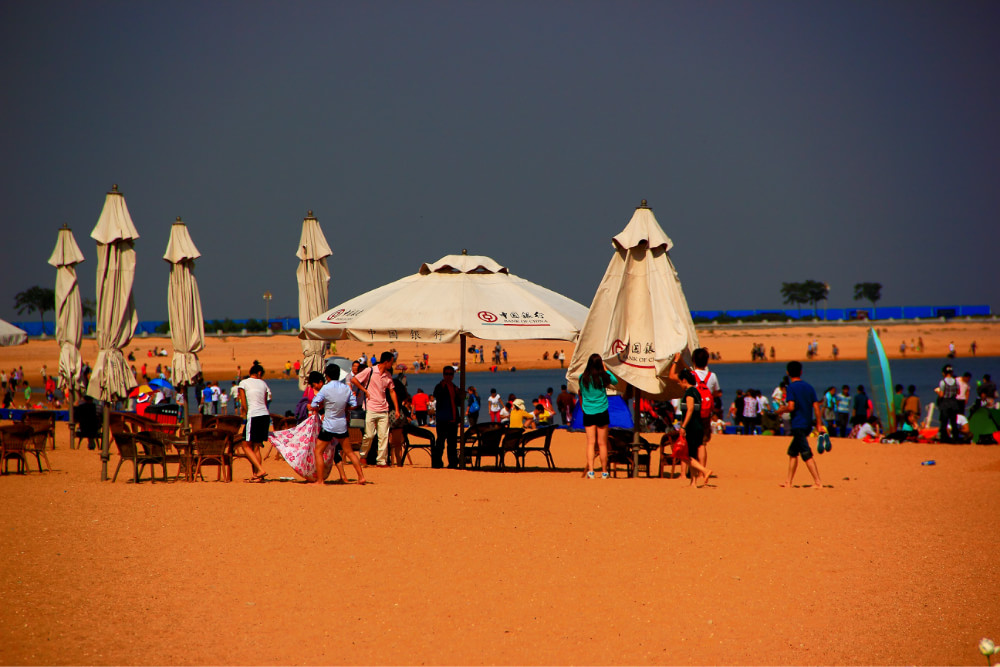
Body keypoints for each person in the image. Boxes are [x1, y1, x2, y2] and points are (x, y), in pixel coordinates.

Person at [310, 366, 365, 485]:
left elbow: (314, 403)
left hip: (329, 425)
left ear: (327, 376)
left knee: (318, 451)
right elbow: (354, 404)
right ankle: (361, 477)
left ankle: (320, 480)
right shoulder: (346, 388)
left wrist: (321, 406)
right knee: (349, 452)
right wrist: (345, 408)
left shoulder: (325, 388)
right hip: (341, 424)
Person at [776, 360, 825, 489]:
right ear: (801, 372)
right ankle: (788, 482)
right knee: (793, 452)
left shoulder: (791, 387)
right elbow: (816, 407)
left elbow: (791, 407)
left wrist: (782, 410)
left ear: (788, 373)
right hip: (808, 424)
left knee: (805, 452)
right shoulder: (809, 387)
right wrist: (819, 424)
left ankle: (818, 482)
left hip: (798, 424)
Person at [667, 360, 714, 487]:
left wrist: (683, 426)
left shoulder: (689, 392)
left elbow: (690, 409)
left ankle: (704, 471)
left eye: (680, 382)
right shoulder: (697, 391)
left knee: (685, 455)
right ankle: (693, 482)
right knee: (691, 454)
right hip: (698, 425)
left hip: (692, 426)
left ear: (684, 381)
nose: (680, 384)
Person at [351, 351, 400, 467]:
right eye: (391, 362)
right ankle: (363, 456)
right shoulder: (370, 371)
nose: (392, 365)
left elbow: (392, 391)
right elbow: (354, 380)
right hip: (371, 408)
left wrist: (397, 409)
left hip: (384, 409)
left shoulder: (388, 375)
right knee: (369, 435)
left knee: (384, 436)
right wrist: (365, 391)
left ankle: (381, 461)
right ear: (386, 361)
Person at [578, 353, 618, 479]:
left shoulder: (582, 377)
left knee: (590, 443)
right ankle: (605, 471)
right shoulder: (603, 377)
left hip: (588, 411)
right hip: (602, 410)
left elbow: (582, 392)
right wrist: (606, 369)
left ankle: (591, 471)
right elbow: (615, 381)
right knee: (602, 444)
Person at [237, 363, 272, 482]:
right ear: (260, 373)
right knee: (256, 447)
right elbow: (266, 401)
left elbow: (243, 402)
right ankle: (256, 475)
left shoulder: (244, 383)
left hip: (254, 415)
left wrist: (246, 413)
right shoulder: (263, 383)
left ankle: (260, 470)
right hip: (265, 415)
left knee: (245, 445)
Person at [431, 366, 463, 468]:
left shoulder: (454, 387)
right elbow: (437, 396)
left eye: (451, 374)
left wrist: (461, 394)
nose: (449, 376)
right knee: (440, 442)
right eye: (447, 374)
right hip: (443, 419)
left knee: (452, 443)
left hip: (453, 419)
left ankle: (453, 463)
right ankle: (437, 462)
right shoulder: (440, 386)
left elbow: (458, 402)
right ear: (443, 375)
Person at [935, 364, 961, 443]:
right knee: (953, 422)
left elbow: (941, 395)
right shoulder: (956, 382)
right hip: (953, 403)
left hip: (945, 403)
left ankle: (944, 438)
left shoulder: (943, 382)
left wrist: (937, 392)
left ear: (944, 373)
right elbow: (958, 392)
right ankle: (956, 438)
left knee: (944, 422)